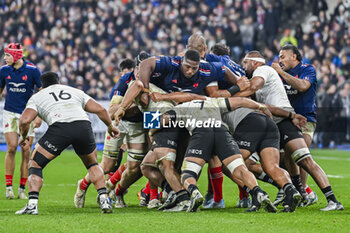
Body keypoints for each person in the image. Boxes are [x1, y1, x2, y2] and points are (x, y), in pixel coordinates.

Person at [237, 51, 344, 211]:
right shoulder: (262, 75)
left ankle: (332, 200)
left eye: (245, 63)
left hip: (285, 120)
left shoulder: (263, 70)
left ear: (255, 62)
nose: (242, 66)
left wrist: (229, 95)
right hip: (271, 124)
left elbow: (253, 89)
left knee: (304, 160)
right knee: (258, 163)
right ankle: (293, 190)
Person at [15, 72, 119, 215]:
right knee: (93, 164)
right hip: (83, 126)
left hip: (60, 128)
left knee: (35, 164)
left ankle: (32, 205)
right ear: (58, 82)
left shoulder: (37, 97)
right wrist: (110, 126)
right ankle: (104, 200)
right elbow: (100, 109)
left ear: (41, 86)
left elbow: (25, 120)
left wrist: (24, 136)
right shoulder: (75, 91)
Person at [159, 97, 277, 213]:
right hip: (222, 132)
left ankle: (194, 193)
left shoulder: (180, 108)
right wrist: (261, 107)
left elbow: (162, 120)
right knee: (239, 169)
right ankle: (258, 192)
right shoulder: (213, 101)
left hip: (201, 132)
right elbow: (241, 101)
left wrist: (151, 131)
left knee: (188, 172)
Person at [271, 44, 318, 205]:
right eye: (279, 57)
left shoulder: (307, 69)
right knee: (283, 158)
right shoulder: (279, 75)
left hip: (305, 119)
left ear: (294, 56)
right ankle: (303, 191)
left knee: (300, 153)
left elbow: (303, 86)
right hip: (287, 120)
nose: (280, 60)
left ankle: (302, 192)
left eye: (283, 56)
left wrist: (280, 72)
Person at [0, 43, 42, 199]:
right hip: (10, 113)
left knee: (25, 151)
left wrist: (39, 116)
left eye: (7, 55)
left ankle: (22, 189)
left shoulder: (33, 70)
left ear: (17, 56)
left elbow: (42, 92)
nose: (5, 58)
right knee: (11, 147)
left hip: (27, 115)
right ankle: (9, 188)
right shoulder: (4, 70)